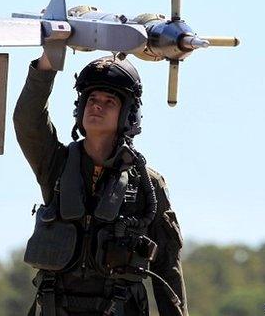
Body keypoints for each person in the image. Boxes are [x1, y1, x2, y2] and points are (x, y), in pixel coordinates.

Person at [13, 51, 188, 316]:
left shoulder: (147, 184)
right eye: (92, 99)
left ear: (128, 114)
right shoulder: (56, 166)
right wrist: (48, 60)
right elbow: (28, 122)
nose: (97, 106)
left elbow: (168, 269)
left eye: (109, 101)